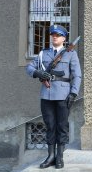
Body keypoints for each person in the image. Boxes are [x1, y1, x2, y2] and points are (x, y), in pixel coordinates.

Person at [26, 25, 82, 169]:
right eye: (52, 34)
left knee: (62, 126)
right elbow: (30, 68)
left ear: (64, 38)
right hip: (47, 95)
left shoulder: (70, 54)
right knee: (50, 126)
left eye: (58, 35)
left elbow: (77, 75)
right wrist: (38, 73)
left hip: (64, 95)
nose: (54, 37)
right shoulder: (43, 54)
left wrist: (73, 93)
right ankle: (50, 156)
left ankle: (60, 157)